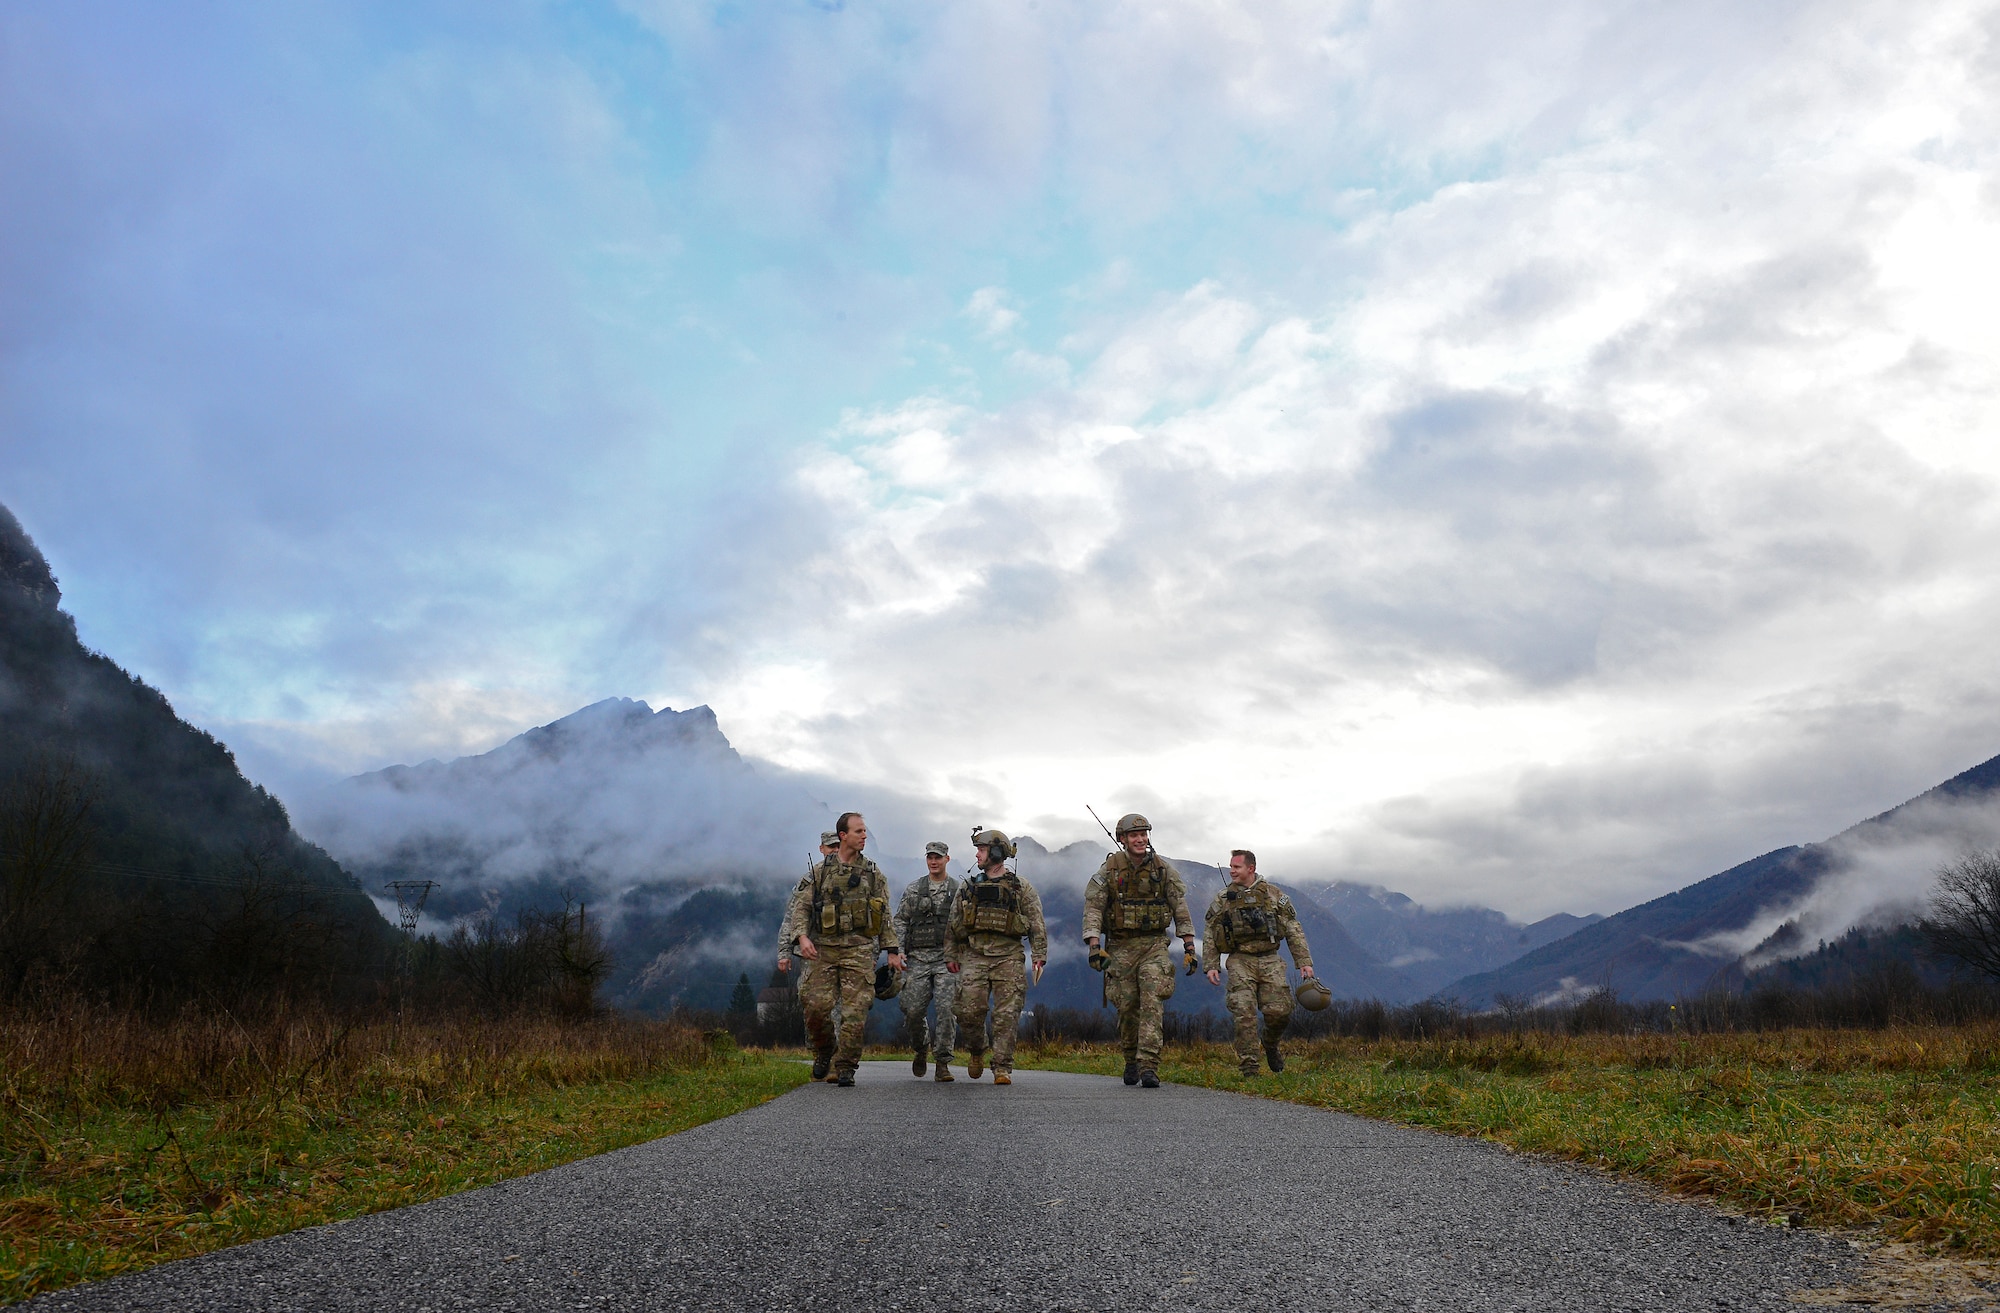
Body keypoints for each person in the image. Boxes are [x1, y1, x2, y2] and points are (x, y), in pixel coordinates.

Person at [785, 814, 903, 1086]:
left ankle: (846, 1065)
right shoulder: (820, 872)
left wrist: (892, 950)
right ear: (843, 836)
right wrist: (802, 938)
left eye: (864, 831)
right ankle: (825, 1050)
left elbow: (884, 914)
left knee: (855, 1012)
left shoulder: (873, 874)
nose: (864, 836)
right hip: (823, 949)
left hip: (858, 950)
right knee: (814, 1007)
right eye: (859, 831)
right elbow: (801, 907)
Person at [1081, 813, 1197, 1089]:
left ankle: (1149, 1065)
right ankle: (1130, 1059)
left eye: (1144, 834)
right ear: (1123, 839)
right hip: (1120, 946)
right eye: (1135, 835)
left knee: (1152, 999)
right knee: (1128, 1005)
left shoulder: (1162, 870)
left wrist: (1189, 945)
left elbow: (1180, 908)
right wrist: (1094, 945)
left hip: (1154, 945)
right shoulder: (1109, 870)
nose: (1141, 839)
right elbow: (1094, 907)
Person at [1203, 849, 1316, 1075]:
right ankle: (1249, 1067)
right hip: (1240, 960)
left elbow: (1293, 928)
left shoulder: (1273, 895)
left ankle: (1270, 1043)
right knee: (1243, 1013)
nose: (1231, 871)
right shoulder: (1224, 899)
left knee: (1280, 1012)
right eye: (1231, 867)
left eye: (1236, 867)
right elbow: (1210, 931)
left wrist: (1303, 961)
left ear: (1250, 869)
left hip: (1270, 960)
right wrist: (1211, 964)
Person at [949, 829, 1047, 1086]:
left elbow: (1036, 923)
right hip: (974, 955)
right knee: (967, 1011)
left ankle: (1002, 1067)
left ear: (994, 852)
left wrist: (1039, 955)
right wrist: (951, 954)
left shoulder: (1020, 887)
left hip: (1009, 957)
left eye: (981, 850)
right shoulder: (968, 887)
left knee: (1007, 1015)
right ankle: (977, 1049)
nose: (977, 855)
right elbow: (953, 923)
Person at [777, 830, 842, 1080]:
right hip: (813, 953)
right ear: (821, 849)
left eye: (838, 846)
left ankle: (837, 1062)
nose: (834, 850)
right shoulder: (809, 880)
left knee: (840, 1007)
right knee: (813, 1007)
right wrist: (784, 952)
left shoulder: (856, 877)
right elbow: (791, 918)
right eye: (830, 847)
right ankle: (820, 1053)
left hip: (843, 952)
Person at [894, 841, 961, 1081]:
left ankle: (942, 1062)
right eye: (930, 857)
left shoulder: (958, 890)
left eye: (938, 857)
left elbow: (965, 925)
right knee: (912, 1011)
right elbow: (901, 920)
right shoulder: (914, 889)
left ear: (947, 859)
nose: (933, 861)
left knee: (946, 1010)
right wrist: (899, 950)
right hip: (918, 959)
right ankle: (921, 1047)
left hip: (946, 959)